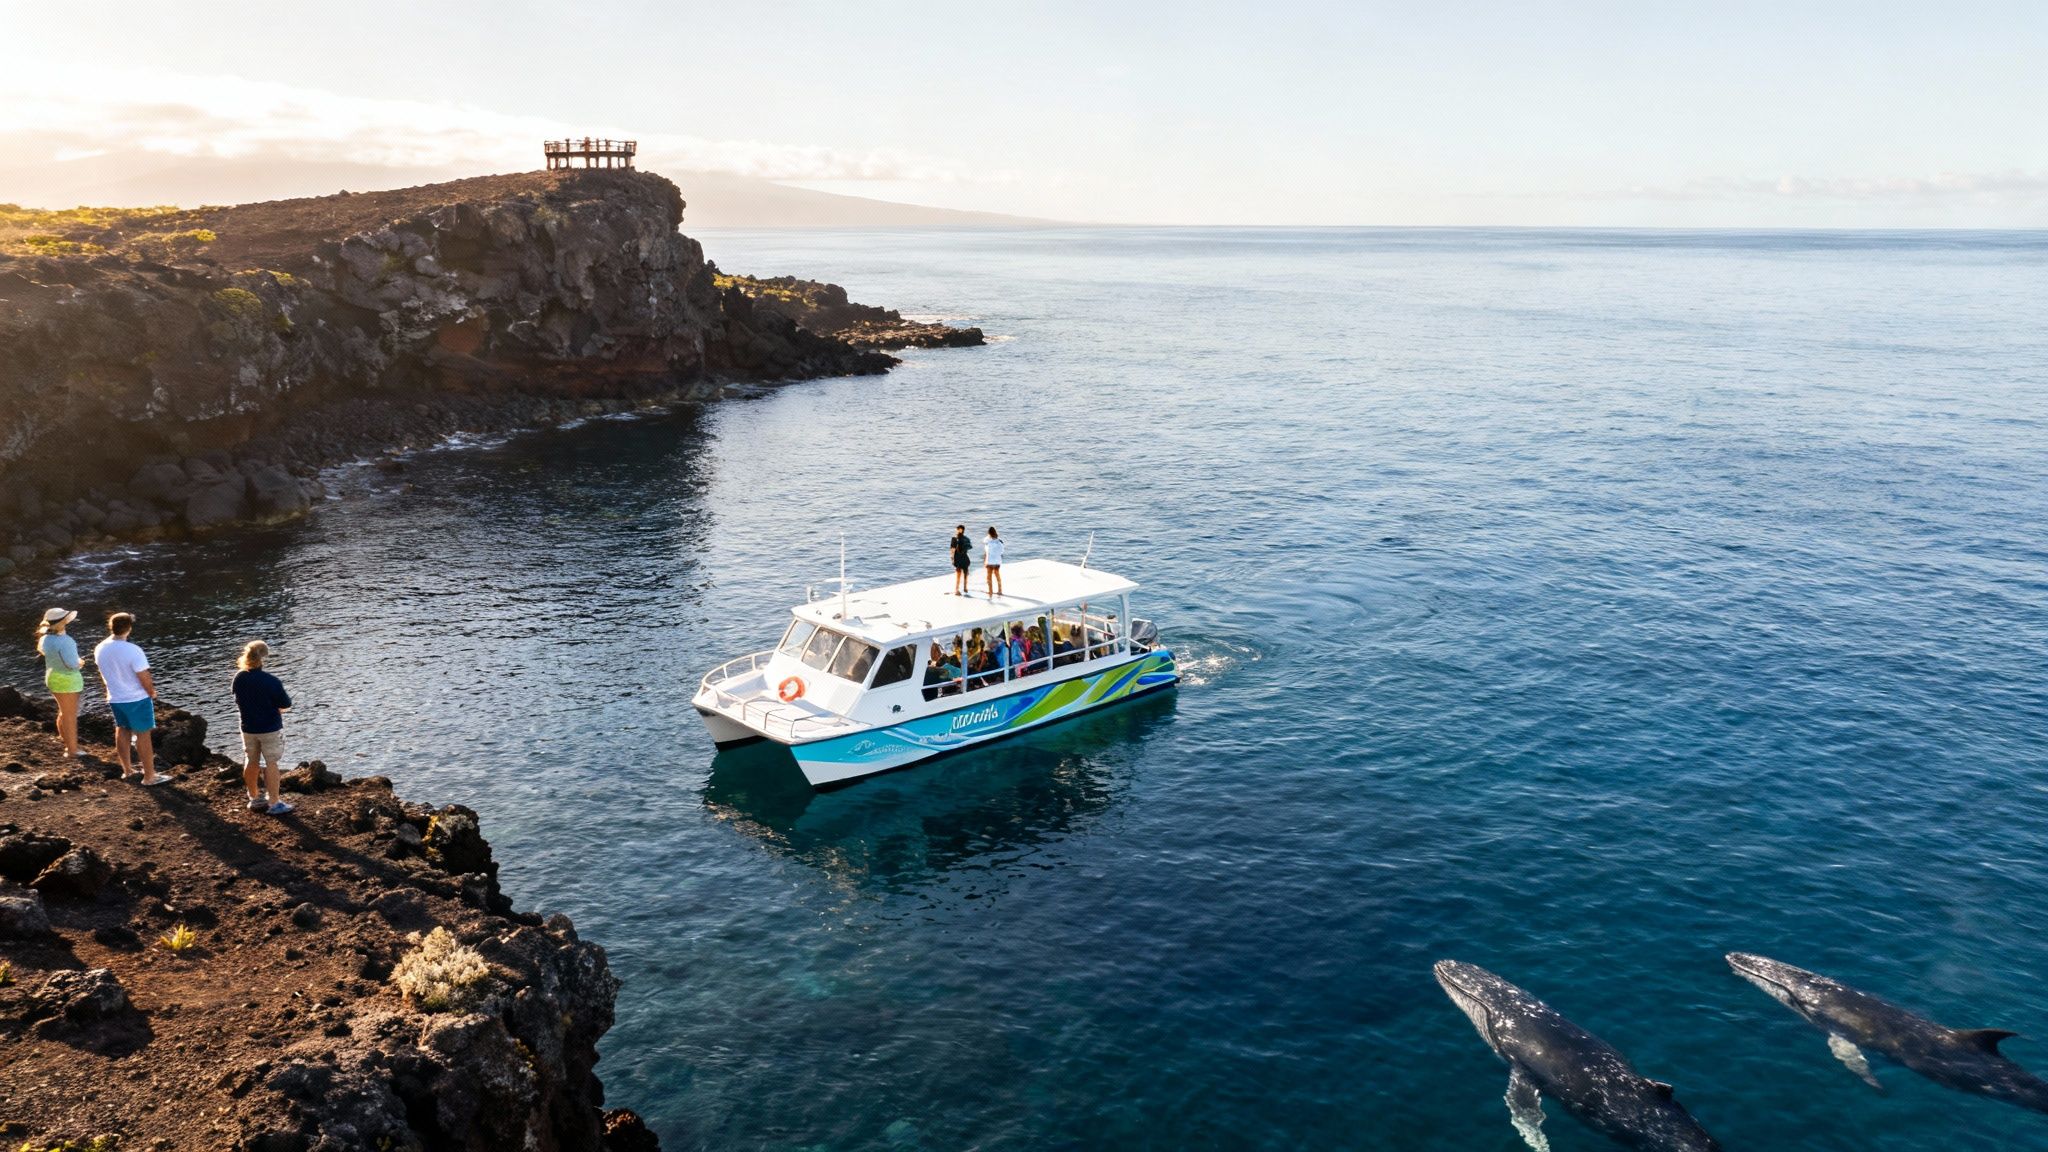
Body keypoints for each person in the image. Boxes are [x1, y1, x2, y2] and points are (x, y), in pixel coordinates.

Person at [94, 612, 167, 786]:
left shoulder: (100, 647)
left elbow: (104, 673)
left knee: (122, 729)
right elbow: (144, 676)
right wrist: (151, 692)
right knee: (143, 734)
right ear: (128, 628)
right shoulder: (133, 650)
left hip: (115, 697)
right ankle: (150, 777)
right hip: (136, 698)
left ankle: (127, 770)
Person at [232, 640, 295, 816]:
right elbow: (285, 703)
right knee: (271, 763)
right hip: (270, 728)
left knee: (251, 761)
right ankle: (274, 802)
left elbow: (239, 699)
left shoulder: (239, 677)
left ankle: (254, 797)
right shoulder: (271, 681)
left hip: (248, 728)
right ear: (264, 658)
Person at [36, 608, 84, 759]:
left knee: (63, 712)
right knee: (70, 716)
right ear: (63, 622)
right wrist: (81, 662)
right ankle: (72, 750)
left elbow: (44, 652)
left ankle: (68, 743)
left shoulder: (44, 639)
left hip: (52, 678)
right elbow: (71, 664)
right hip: (67, 681)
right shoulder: (67, 641)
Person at [949, 524, 972, 595]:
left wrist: (952, 558)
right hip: (965, 557)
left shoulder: (954, 538)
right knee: (965, 573)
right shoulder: (966, 538)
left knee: (958, 574)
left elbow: (952, 549)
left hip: (958, 558)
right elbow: (969, 547)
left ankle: (957, 589)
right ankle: (965, 588)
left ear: (957, 530)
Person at [983, 526, 1005, 599]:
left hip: (990, 561)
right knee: (997, 575)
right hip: (997, 561)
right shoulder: (1000, 541)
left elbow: (986, 550)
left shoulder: (987, 541)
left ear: (989, 533)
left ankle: (990, 591)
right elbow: (1002, 552)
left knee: (989, 576)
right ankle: (1000, 590)